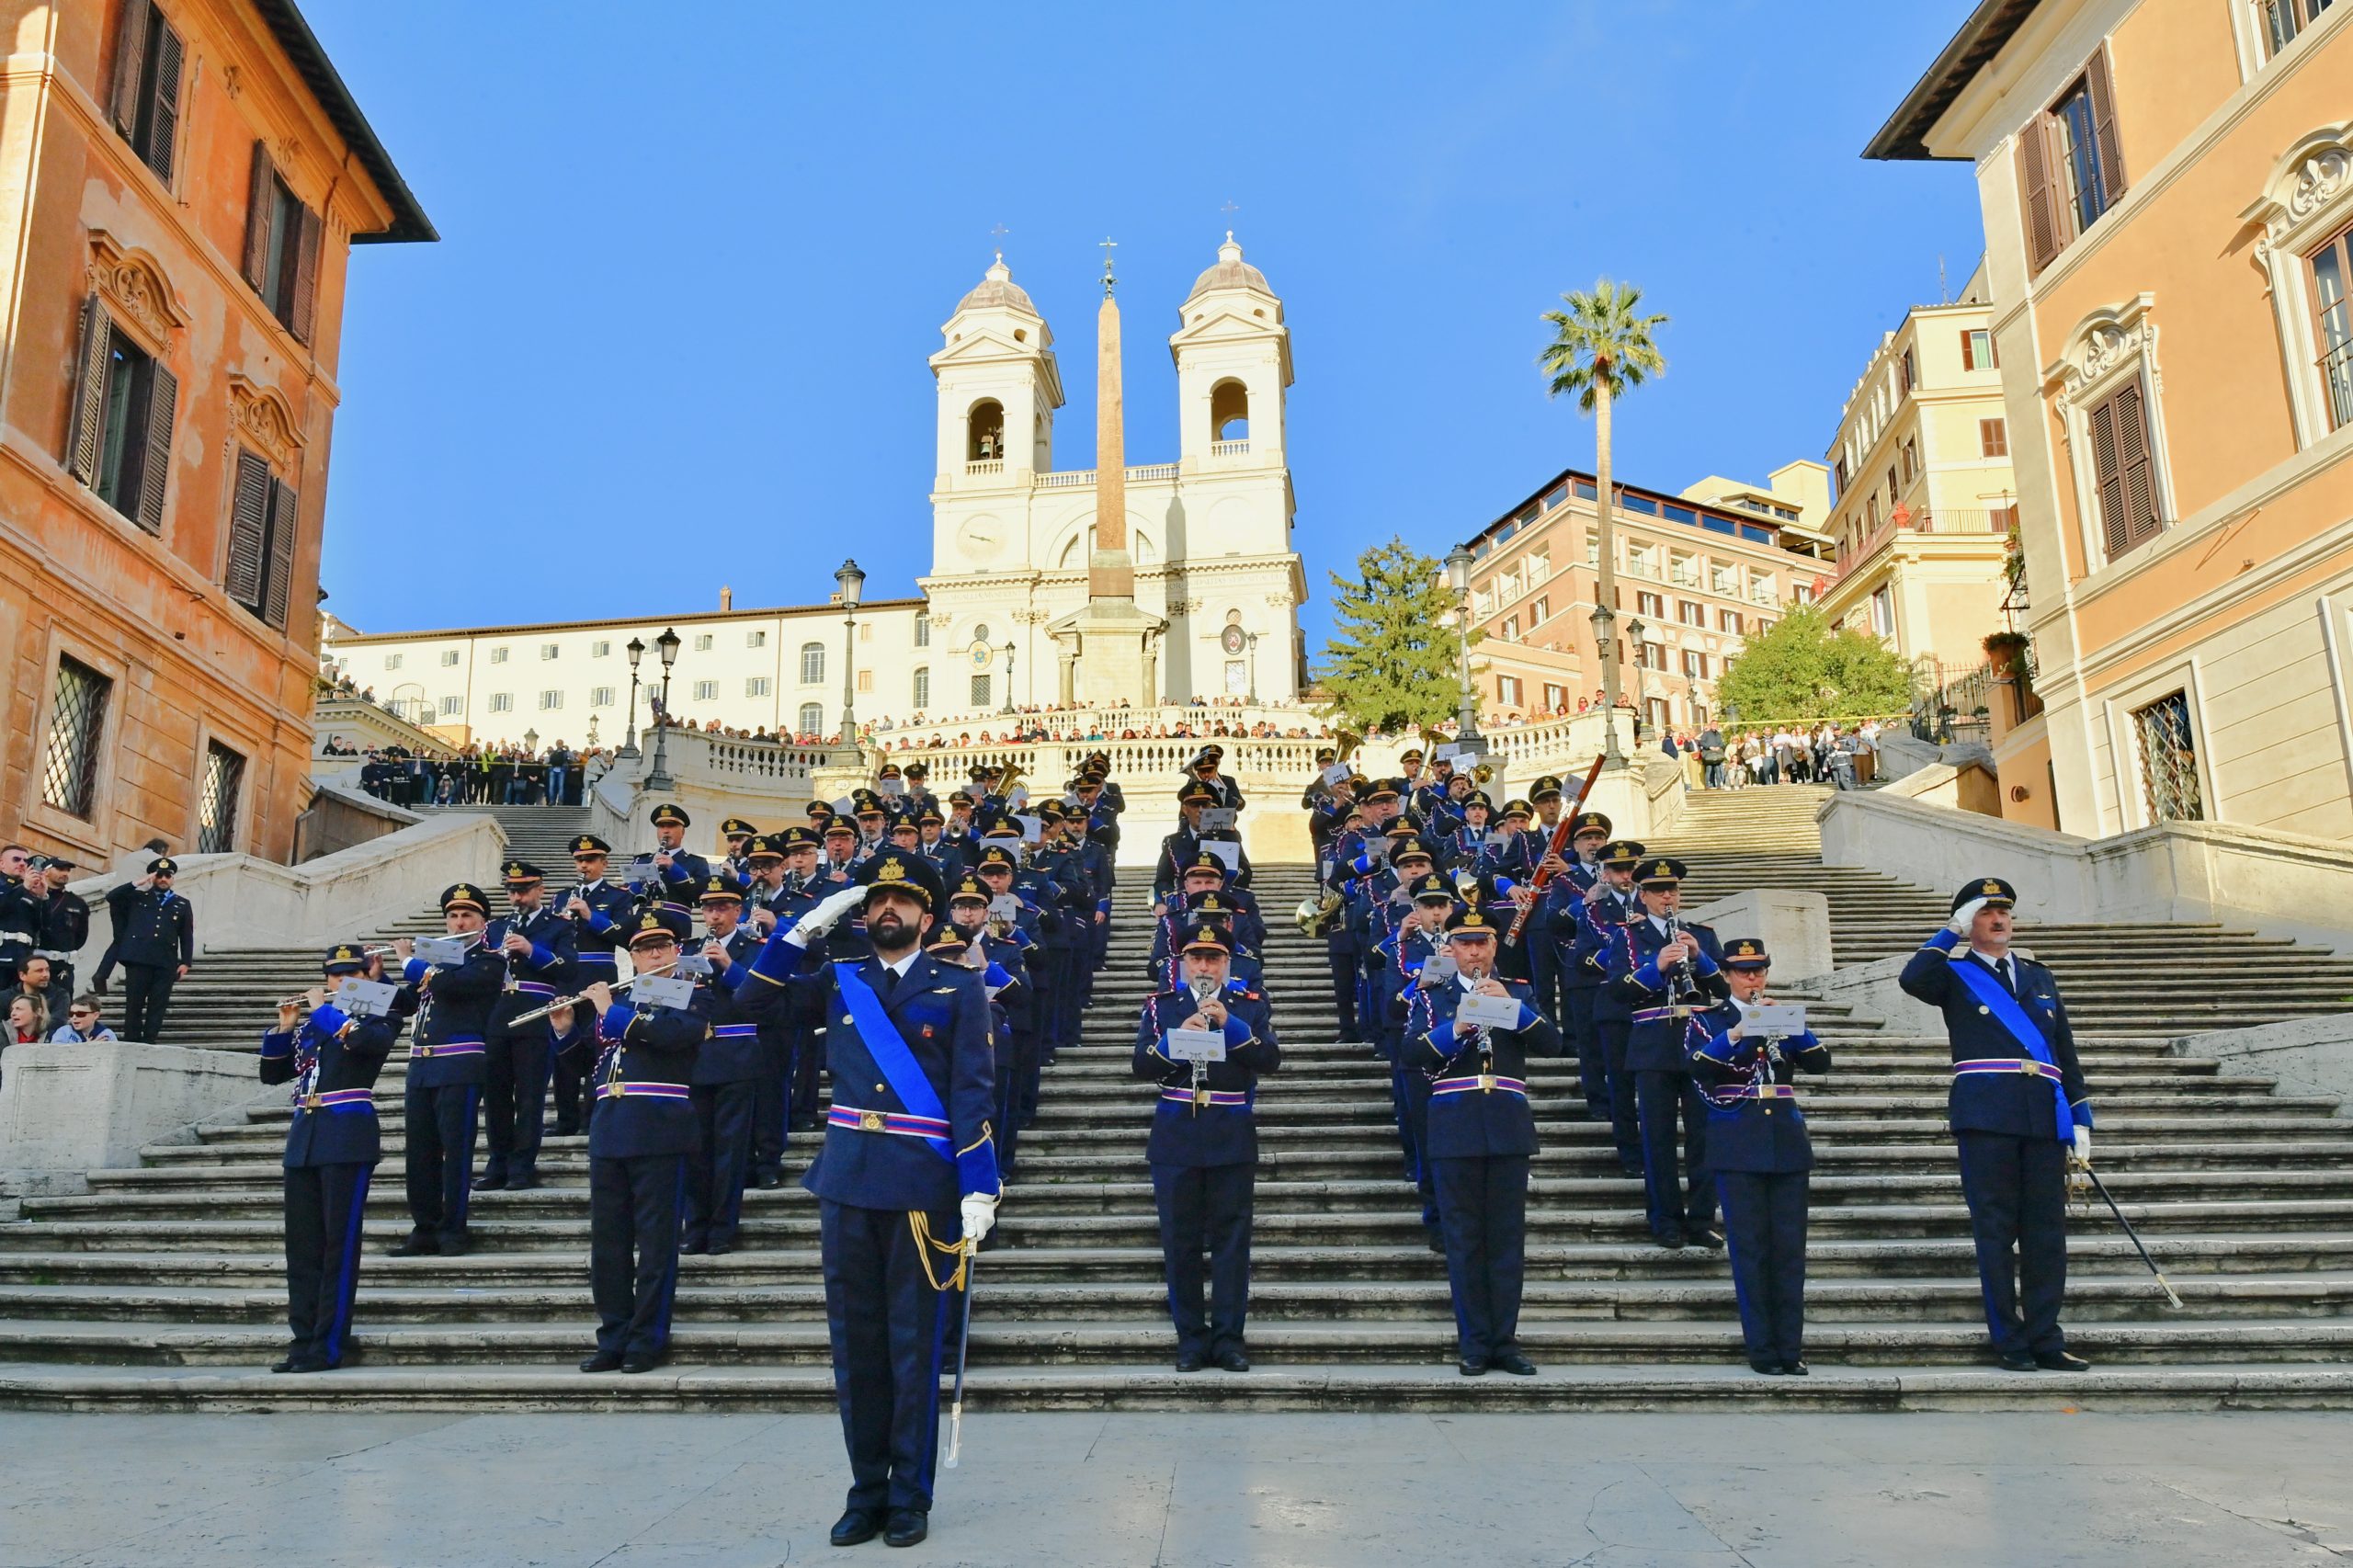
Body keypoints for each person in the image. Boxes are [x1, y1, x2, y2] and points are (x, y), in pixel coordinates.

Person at [741, 852, 998, 1551]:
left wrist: (980, 1183)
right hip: (849, 1180)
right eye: (878, 901)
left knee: (913, 1346)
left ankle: (910, 1496)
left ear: (928, 916)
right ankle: (866, 1491)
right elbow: (750, 1003)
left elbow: (974, 1091)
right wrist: (798, 931)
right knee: (856, 1348)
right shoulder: (838, 980)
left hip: (922, 1185)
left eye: (904, 901)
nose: (889, 911)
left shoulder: (957, 986)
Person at [1900, 877, 2094, 1373]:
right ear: (1971, 922)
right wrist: (1950, 931)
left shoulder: (2038, 976)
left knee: (2046, 1234)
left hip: (2042, 1115)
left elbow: (2063, 1052)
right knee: (1995, 1232)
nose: (1999, 919)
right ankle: (2008, 1339)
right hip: (1987, 1115)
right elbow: (1912, 978)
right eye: (1986, 913)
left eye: (2004, 911)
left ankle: (2046, 1338)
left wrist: (2080, 1117)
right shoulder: (1954, 974)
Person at [1403, 903, 1563, 1375]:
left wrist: (1509, 1010)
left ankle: (1505, 1341)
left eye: (1482, 943)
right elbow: (1411, 1053)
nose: (1474, 952)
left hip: (1508, 1124)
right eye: (1465, 944)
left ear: (1495, 946)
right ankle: (1473, 1341)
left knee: (1507, 1239)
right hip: (1454, 1124)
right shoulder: (1432, 995)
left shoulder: (1518, 992)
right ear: (1450, 949)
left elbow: (1553, 1044)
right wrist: (1456, 1028)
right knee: (1464, 1239)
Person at [1132, 921, 1279, 1371]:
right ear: (1182, 964)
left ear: (1226, 966)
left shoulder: (1248, 1006)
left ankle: (1230, 1339)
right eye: (1196, 958)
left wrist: (1228, 1023)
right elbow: (1140, 1065)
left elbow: (1269, 1059)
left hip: (1230, 1132)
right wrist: (1182, 1036)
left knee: (1233, 1243)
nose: (1204, 965)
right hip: (1176, 1133)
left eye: (1213, 958)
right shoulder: (1163, 1005)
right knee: (1180, 1243)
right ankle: (1191, 1341)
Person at [1687, 938, 1830, 1375]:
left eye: (1759, 970)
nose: (1753, 978)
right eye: (1744, 971)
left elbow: (1821, 1064)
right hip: (1738, 1138)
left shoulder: (1780, 1015)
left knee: (1789, 1252)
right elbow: (1697, 1067)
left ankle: (1791, 1348)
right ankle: (1763, 1350)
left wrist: (1793, 1025)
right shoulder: (1710, 1019)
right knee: (1750, 1250)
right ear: (1727, 975)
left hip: (1785, 1140)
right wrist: (1736, 1033)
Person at [579, 909, 711, 1374]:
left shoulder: (690, 994)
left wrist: (609, 1012)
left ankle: (646, 1340)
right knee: (608, 1246)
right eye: (643, 948)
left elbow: (676, 1036)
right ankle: (613, 1336)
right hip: (611, 1128)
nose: (653, 953)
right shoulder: (622, 1000)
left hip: (660, 1129)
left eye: (662, 946)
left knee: (656, 1245)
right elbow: (591, 1057)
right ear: (632, 957)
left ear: (677, 951)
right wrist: (561, 1027)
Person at [258, 943, 398, 1373]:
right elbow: (273, 1073)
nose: (341, 983)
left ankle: (329, 1345)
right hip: (305, 1135)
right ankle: (302, 1340)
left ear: (366, 976)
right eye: (335, 976)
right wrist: (284, 1028)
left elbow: (366, 1044)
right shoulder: (319, 1023)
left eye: (351, 974)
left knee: (339, 1245)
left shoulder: (378, 1013)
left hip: (347, 1134)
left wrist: (324, 1011)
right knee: (302, 1248)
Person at [1608, 855, 1729, 1251]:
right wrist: (1656, 966)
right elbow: (1618, 992)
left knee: (1703, 1138)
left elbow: (1725, 991)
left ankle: (1701, 1220)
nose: (1667, 897)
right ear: (1643, 896)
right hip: (1653, 1046)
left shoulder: (1702, 935)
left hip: (1698, 1045)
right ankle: (1664, 1220)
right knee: (1657, 1140)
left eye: (1672, 890)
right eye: (1659, 892)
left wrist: (1700, 958)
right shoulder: (1627, 937)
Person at [390, 885, 505, 1257]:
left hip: (460, 1063)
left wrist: (411, 962)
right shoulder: (435, 966)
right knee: (419, 1153)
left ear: (482, 922)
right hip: (421, 1066)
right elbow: (405, 1003)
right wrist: (374, 978)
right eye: (453, 917)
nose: (459, 923)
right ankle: (424, 1227)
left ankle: (453, 1229)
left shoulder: (489, 961)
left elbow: (453, 986)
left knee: (456, 1151)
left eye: (467, 916)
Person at [479, 861, 574, 1191]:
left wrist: (532, 950)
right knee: (496, 1096)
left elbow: (569, 967)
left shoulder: (557, 926)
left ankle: (522, 1165)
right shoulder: (495, 927)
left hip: (535, 1017)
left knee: (530, 1096)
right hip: (498, 1015)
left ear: (539, 890)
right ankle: (498, 1162)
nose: (517, 897)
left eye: (523, 890)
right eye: (512, 891)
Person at [685, 877, 763, 1256]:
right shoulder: (688, 949)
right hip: (696, 1057)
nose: (714, 915)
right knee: (695, 1148)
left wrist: (729, 965)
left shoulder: (753, 947)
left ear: (737, 911)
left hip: (736, 1056)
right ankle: (695, 1225)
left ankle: (721, 1229)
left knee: (729, 1151)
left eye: (722, 908)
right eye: (709, 908)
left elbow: (761, 993)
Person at [29, 855, 90, 1000]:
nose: (65, 873)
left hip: (62, 966)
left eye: (68, 870)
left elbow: (81, 936)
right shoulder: (32, 895)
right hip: (33, 962)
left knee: (61, 1004)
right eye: (60, 869)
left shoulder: (77, 902)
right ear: (46, 871)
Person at [0, 844, 39, 989]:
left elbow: (43, 925)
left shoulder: (28, 890)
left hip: (23, 959)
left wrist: (43, 899)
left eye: (26, 861)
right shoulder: (23, 888)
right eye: (16, 859)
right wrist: (24, 888)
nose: (22, 863)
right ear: (2, 864)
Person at [50, 994, 115, 1042]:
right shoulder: (64, 1032)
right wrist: (85, 1048)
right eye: (71, 1014)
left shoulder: (107, 1034)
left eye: (80, 1014)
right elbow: (56, 1054)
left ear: (95, 1016)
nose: (74, 1017)